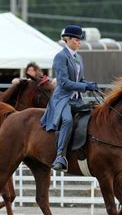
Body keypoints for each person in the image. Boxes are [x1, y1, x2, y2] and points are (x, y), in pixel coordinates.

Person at [40, 24, 99, 172]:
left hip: (76, 98)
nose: (79, 43)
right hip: (63, 98)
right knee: (67, 120)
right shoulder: (61, 57)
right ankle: (60, 156)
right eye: (77, 40)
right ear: (68, 39)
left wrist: (89, 84)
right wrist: (84, 87)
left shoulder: (78, 57)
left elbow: (80, 79)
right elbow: (64, 82)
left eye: (80, 40)